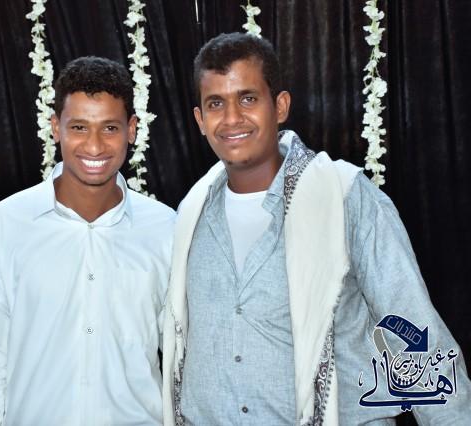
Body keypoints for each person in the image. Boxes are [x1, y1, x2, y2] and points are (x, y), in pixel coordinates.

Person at [162, 32, 471, 425]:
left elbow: (413, 332)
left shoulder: (343, 196)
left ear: (280, 106)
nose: (232, 117)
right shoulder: (190, 215)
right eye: (216, 103)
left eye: (248, 98)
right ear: (200, 120)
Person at [0, 56, 175, 425]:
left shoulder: (165, 228)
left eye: (110, 128)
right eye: (79, 127)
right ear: (55, 128)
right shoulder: (5, 225)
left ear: (131, 130)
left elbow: (180, 357)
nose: (94, 146)